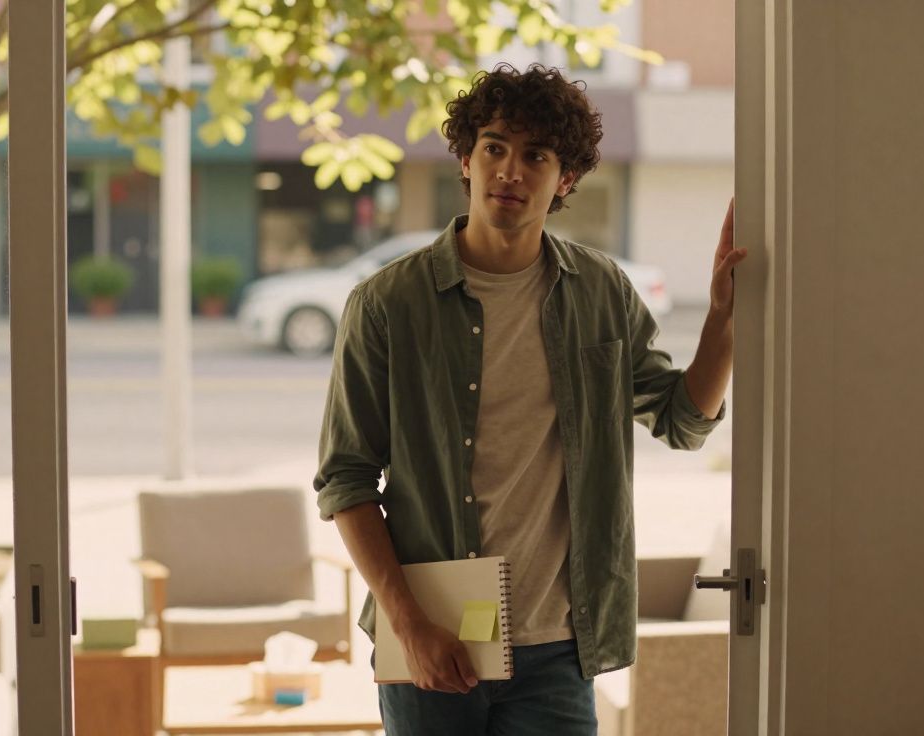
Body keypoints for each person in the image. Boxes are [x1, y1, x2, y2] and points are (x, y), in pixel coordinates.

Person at [314, 62, 746, 736]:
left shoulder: (602, 294)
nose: (510, 171)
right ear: (465, 159)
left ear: (565, 178)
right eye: (494, 149)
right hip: (433, 640)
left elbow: (682, 422)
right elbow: (345, 478)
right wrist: (406, 620)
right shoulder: (388, 303)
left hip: (559, 650)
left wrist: (723, 319)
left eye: (535, 156)